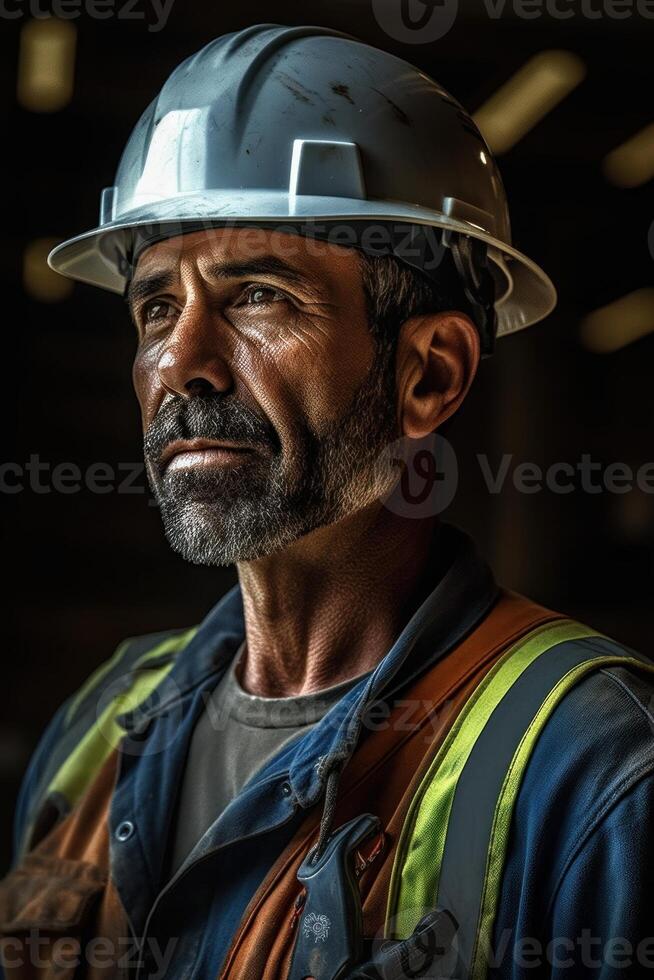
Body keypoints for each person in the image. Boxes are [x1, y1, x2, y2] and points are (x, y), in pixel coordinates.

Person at [2, 23, 654, 980]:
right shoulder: (99, 724)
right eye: (154, 308)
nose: (182, 363)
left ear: (429, 375)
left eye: (258, 296)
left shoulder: (596, 769)